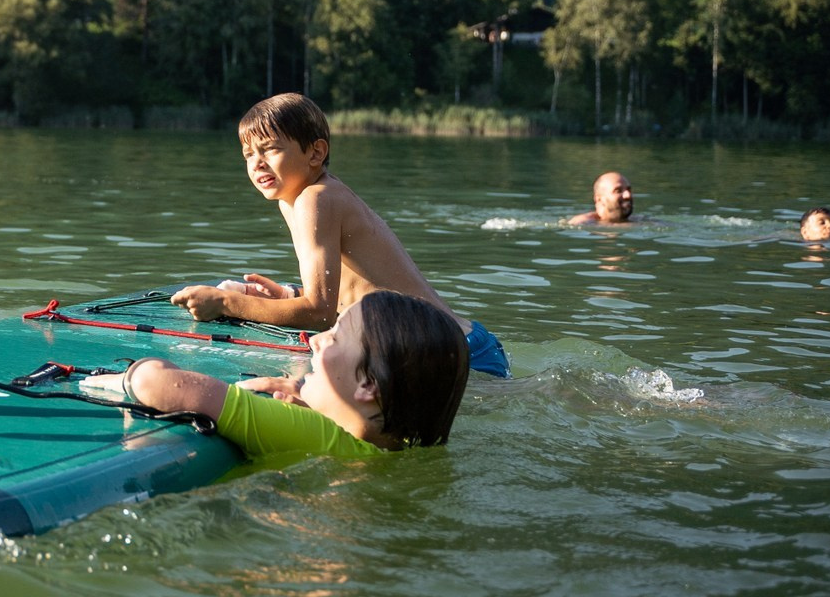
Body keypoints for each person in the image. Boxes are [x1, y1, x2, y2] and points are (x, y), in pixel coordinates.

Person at [165, 92, 512, 378]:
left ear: (316, 152)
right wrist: (288, 295)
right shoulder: (298, 198)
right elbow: (352, 291)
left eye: (270, 149)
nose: (257, 163)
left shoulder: (317, 199)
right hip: (452, 347)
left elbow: (319, 313)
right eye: (248, 154)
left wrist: (226, 303)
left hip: (452, 358)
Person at [81, 289, 470, 458]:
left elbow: (158, 385)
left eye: (335, 336)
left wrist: (127, 376)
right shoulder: (394, 447)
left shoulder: (310, 435)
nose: (317, 341)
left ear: (368, 385)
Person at [564, 171, 636, 227]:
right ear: (599, 199)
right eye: (618, 191)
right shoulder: (581, 223)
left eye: (628, 190)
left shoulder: (639, 220)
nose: (628, 195)